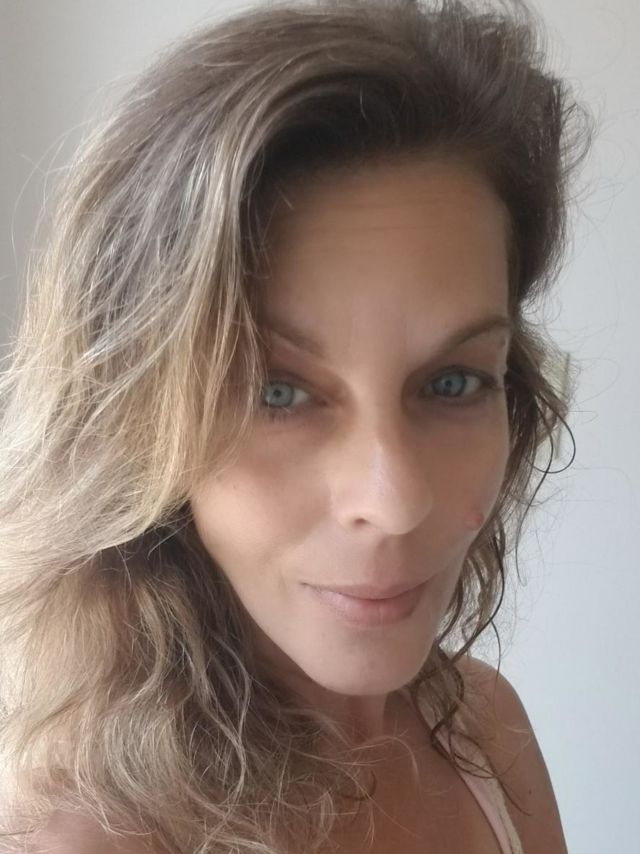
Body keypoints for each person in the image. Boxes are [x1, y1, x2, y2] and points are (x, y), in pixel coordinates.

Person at [0, 0, 593, 851]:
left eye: (452, 382)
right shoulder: (92, 838)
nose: (394, 501)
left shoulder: (488, 732)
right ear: (134, 423)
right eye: (276, 392)